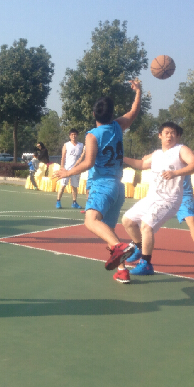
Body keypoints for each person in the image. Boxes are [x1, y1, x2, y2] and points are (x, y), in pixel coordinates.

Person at [53, 79, 142, 277]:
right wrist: (138, 92)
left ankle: (121, 247)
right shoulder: (118, 126)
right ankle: (122, 270)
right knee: (108, 230)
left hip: (103, 185)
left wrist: (66, 172)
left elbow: (89, 162)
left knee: (90, 221)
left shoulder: (92, 135)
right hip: (118, 187)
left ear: (94, 114)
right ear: (112, 114)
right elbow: (133, 112)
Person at [119, 122, 194, 279]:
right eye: (166, 133)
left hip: (169, 199)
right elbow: (141, 164)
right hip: (152, 197)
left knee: (146, 225)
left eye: (173, 133)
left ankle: (146, 263)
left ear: (177, 136)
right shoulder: (156, 154)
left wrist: (176, 173)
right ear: (160, 136)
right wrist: (122, 158)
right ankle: (139, 247)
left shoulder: (181, 150)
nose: (170, 136)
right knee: (127, 220)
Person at [127, 151, 194, 266]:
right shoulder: (160, 153)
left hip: (184, 195)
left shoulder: (185, 154)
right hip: (164, 194)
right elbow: (144, 161)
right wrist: (144, 157)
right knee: (142, 220)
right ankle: (138, 243)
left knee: (192, 219)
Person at [56, 129, 84, 209]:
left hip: (76, 170)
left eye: (75, 134)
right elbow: (63, 157)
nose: (73, 136)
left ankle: (74, 202)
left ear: (77, 135)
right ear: (69, 136)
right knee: (63, 185)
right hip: (66, 169)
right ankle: (58, 201)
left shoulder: (81, 145)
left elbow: (82, 156)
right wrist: (62, 168)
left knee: (74, 186)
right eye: (72, 135)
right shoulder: (66, 145)